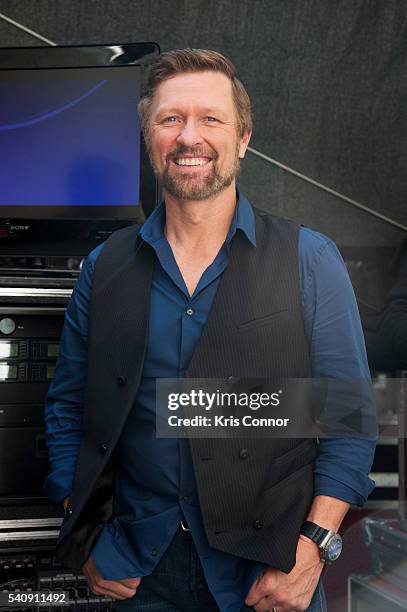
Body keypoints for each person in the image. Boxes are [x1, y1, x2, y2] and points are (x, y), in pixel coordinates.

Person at [44, 49, 377, 612]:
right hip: (138, 570)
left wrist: (316, 548)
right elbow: (67, 411)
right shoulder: (105, 267)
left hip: (267, 572)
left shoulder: (309, 258)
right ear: (148, 138)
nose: (188, 136)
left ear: (243, 138)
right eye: (170, 119)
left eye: (211, 119)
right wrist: (85, 538)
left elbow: (348, 418)